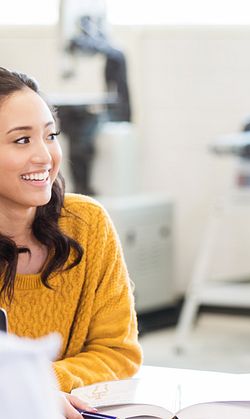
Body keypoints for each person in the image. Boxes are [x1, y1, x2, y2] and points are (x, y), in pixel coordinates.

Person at [0, 67, 142, 418]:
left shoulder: (87, 224)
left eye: (50, 135)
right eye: (22, 140)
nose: (44, 156)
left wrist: (42, 382)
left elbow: (118, 353)